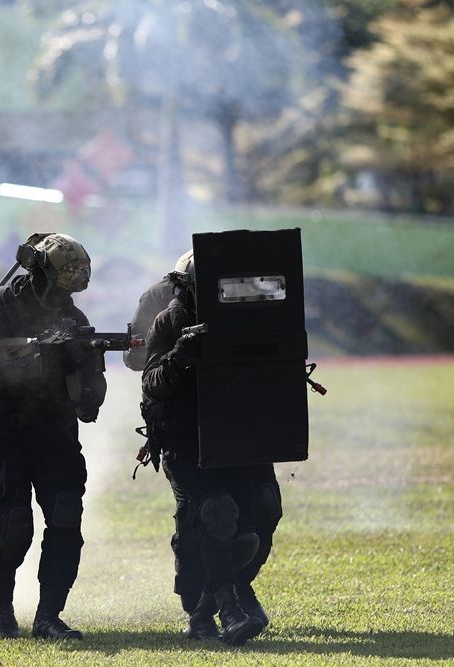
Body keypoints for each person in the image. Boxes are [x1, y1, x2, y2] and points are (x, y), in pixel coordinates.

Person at [0, 232, 106, 640]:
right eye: (58, 287)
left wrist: (83, 376)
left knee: (66, 520)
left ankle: (49, 615)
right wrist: (23, 365)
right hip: (6, 436)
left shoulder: (72, 319)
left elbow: (91, 392)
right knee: (15, 528)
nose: (63, 298)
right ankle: (0, 607)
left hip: (56, 436)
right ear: (38, 274)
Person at [132, 252, 282, 634]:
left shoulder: (244, 321)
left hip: (235, 439)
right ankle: (229, 611)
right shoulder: (167, 322)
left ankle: (205, 612)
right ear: (186, 289)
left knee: (247, 533)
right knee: (217, 510)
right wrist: (179, 356)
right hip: (185, 443)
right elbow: (151, 383)